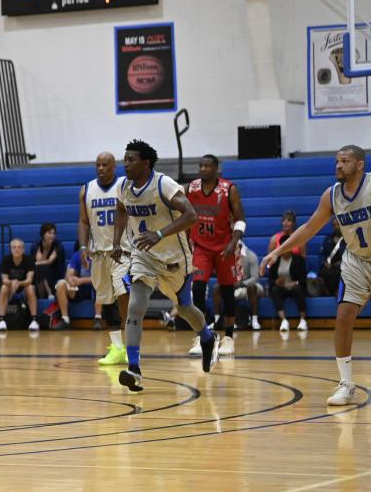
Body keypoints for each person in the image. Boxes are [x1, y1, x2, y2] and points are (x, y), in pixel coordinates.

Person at [262, 145, 371, 405]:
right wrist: (276, 252)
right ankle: (346, 384)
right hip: (356, 261)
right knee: (343, 316)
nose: (338, 165)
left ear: (359, 164)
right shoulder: (331, 195)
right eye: (337, 161)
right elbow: (309, 228)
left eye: (344, 161)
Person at [111, 139, 218, 392]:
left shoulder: (163, 184)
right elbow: (121, 209)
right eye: (125, 159)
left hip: (173, 258)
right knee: (135, 307)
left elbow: (191, 215)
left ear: (145, 163)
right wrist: (116, 242)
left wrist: (159, 234)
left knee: (184, 307)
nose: (126, 164)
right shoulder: (123, 186)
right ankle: (134, 369)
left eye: (131, 160)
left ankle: (207, 337)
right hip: (143, 255)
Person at [185, 154, 247, 357]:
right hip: (201, 247)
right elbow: (182, 215)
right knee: (198, 288)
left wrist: (233, 243)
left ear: (216, 168)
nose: (203, 169)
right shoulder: (191, 188)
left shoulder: (229, 189)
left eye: (208, 166)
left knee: (227, 292)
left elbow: (240, 220)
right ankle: (202, 336)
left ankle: (228, 337)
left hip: (224, 248)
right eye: (201, 165)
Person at [76, 152, 130, 363]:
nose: (100, 168)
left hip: (121, 252)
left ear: (114, 166)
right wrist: (83, 247)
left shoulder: (124, 185)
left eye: (105, 164)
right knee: (106, 300)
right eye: (97, 164)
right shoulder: (86, 189)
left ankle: (132, 343)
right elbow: (83, 221)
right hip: (98, 253)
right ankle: (117, 348)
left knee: (124, 294)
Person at [267, 233, 308, 331]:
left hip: (294, 286)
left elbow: (304, 278)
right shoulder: (275, 261)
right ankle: (283, 320)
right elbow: (270, 279)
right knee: (274, 290)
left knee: (298, 289)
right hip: (281, 288)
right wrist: (276, 282)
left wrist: (295, 283)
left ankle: (303, 320)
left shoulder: (299, 260)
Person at [0, 239, 39, 332]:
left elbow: (29, 280)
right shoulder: (6, 260)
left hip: (24, 286)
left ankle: (34, 320)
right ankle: (1, 320)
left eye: (19, 247)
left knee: (30, 288)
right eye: (14, 247)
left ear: (23, 250)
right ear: (11, 249)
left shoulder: (29, 260)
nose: (17, 249)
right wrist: (12, 283)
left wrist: (18, 283)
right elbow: (4, 280)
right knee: (3, 288)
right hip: (10, 286)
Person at [54, 248, 93, 329]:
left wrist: (81, 280)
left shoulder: (99, 256)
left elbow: (100, 278)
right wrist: (71, 279)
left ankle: (98, 318)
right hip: (79, 288)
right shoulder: (77, 255)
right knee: (61, 284)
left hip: (93, 288)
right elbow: (69, 273)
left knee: (99, 287)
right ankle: (65, 319)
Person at [31, 223, 65, 300]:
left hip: (54, 271)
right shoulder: (36, 244)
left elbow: (50, 261)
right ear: (43, 234)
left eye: (54, 233)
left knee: (41, 268)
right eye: (49, 233)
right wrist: (45, 250)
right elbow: (39, 260)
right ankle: (48, 294)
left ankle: (45, 295)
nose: (52, 235)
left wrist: (38, 263)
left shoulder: (58, 244)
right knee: (41, 268)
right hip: (39, 272)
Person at [234, 242, 263, 331]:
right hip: (235, 286)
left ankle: (254, 320)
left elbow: (255, 278)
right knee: (220, 287)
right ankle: (220, 320)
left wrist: (241, 284)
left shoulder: (251, 256)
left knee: (252, 287)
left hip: (249, 285)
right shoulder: (228, 256)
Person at [318, 218, 346, 296]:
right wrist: (325, 262)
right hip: (330, 264)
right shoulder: (328, 238)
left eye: (338, 225)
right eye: (334, 225)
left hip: (342, 264)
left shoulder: (347, 239)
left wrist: (342, 262)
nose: (336, 227)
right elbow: (321, 254)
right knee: (323, 272)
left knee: (338, 273)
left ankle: (338, 291)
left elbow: (351, 255)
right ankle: (327, 292)